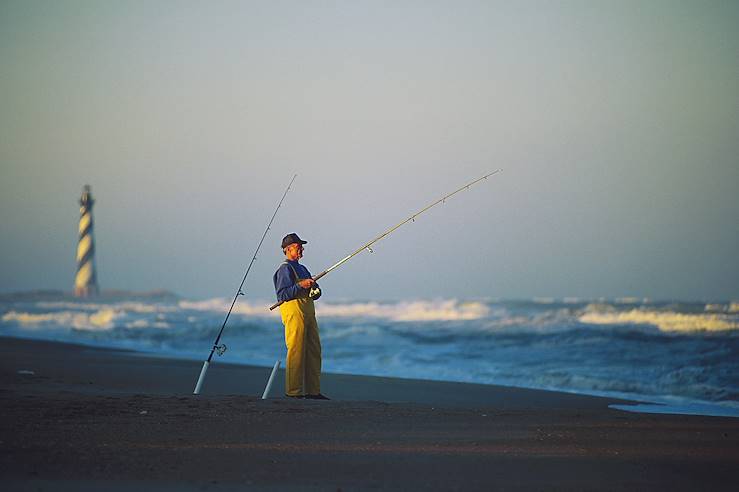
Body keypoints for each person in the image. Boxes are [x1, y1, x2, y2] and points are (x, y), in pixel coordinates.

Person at [273, 233, 329, 400]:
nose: (301, 249)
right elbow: (282, 294)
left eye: (301, 247)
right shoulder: (285, 269)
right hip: (293, 312)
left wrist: (315, 290)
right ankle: (293, 392)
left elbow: (311, 291)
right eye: (298, 247)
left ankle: (313, 392)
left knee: (314, 350)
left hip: (308, 311)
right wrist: (300, 285)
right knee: (296, 351)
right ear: (288, 250)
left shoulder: (303, 268)